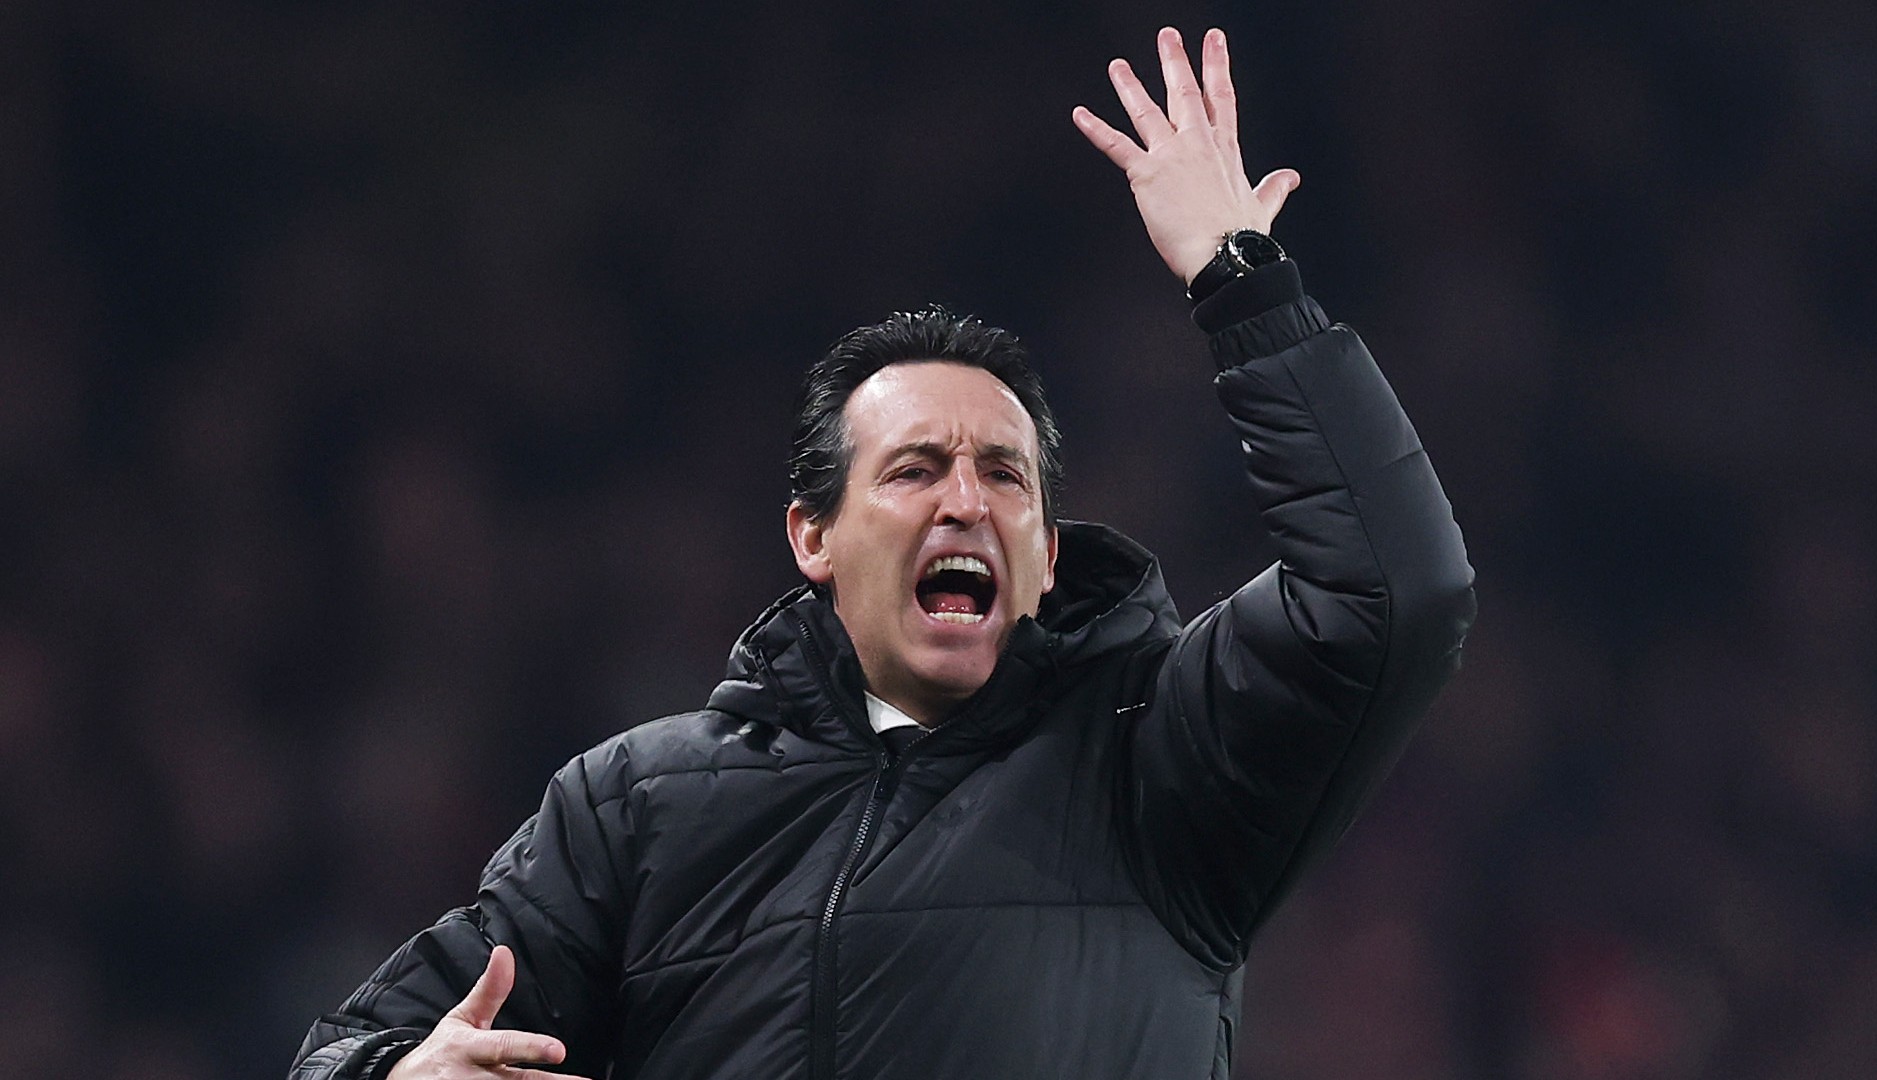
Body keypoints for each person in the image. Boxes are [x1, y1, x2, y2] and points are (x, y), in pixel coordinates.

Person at [290, 26, 1475, 1080]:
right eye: (915, 469)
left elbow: (1393, 591)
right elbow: (352, 1046)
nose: (964, 500)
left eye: (1004, 474)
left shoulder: (1157, 758)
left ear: (1046, 555)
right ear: (813, 535)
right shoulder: (639, 808)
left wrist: (1241, 279)